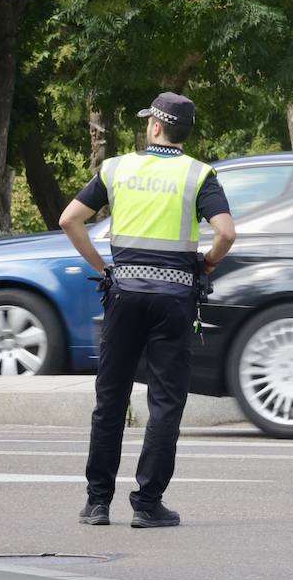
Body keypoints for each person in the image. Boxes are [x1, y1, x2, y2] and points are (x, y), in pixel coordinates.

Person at [59, 92, 236, 529]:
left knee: (111, 399)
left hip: (123, 295)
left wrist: (105, 268)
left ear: (155, 126)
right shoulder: (199, 175)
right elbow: (227, 233)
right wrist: (208, 261)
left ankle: (97, 502)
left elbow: (69, 219)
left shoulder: (116, 167)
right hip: (174, 300)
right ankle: (148, 504)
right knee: (165, 403)